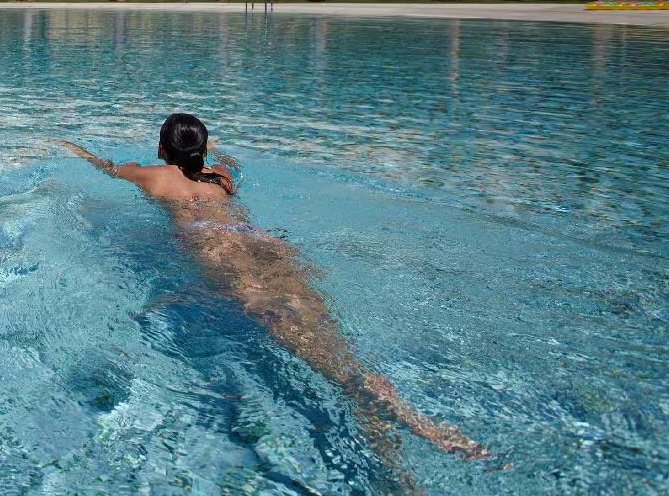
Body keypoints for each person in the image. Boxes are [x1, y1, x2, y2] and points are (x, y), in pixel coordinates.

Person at [59, 113, 488, 461]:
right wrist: (213, 150)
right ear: (204, 150)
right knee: (328, 338)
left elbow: (111, 169)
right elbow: (232, 164)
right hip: (266, 245)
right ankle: (383, 427)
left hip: (222, 255)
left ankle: (390, 406)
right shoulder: (221, 176)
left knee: (318, 356)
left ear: (161, 149)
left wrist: (74, 149)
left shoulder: (155, 178)